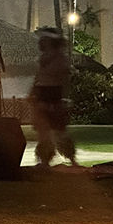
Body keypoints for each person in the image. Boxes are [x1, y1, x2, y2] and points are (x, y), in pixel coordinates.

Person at [31, 27, 76, 169]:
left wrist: (63, 98)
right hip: (42, 94)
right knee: (43, 132)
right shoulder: (43, 59)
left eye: (44, 40)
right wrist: (32, 93)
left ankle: (71, 159)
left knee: (59, 130)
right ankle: (44, 160)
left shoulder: (60, 59)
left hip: (54, 94)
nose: (41, 42)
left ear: (50, 42)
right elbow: (38, 78)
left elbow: (64, 79)